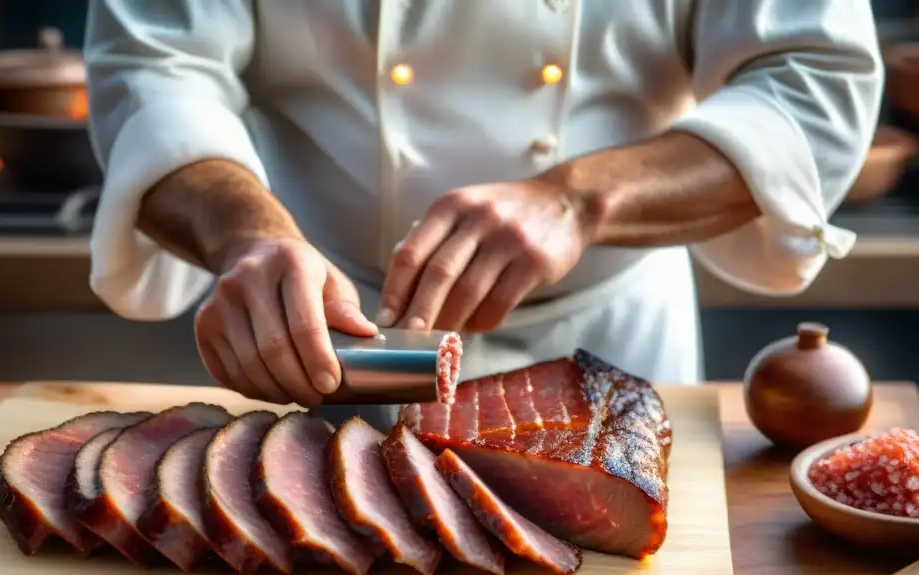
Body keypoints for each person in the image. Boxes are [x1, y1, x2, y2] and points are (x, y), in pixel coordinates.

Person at [83, 0, 882, 429]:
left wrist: (579, 200)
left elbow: (816, 81)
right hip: (322, 335)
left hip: (617, 346)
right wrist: (247, 236)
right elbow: (153, 66)